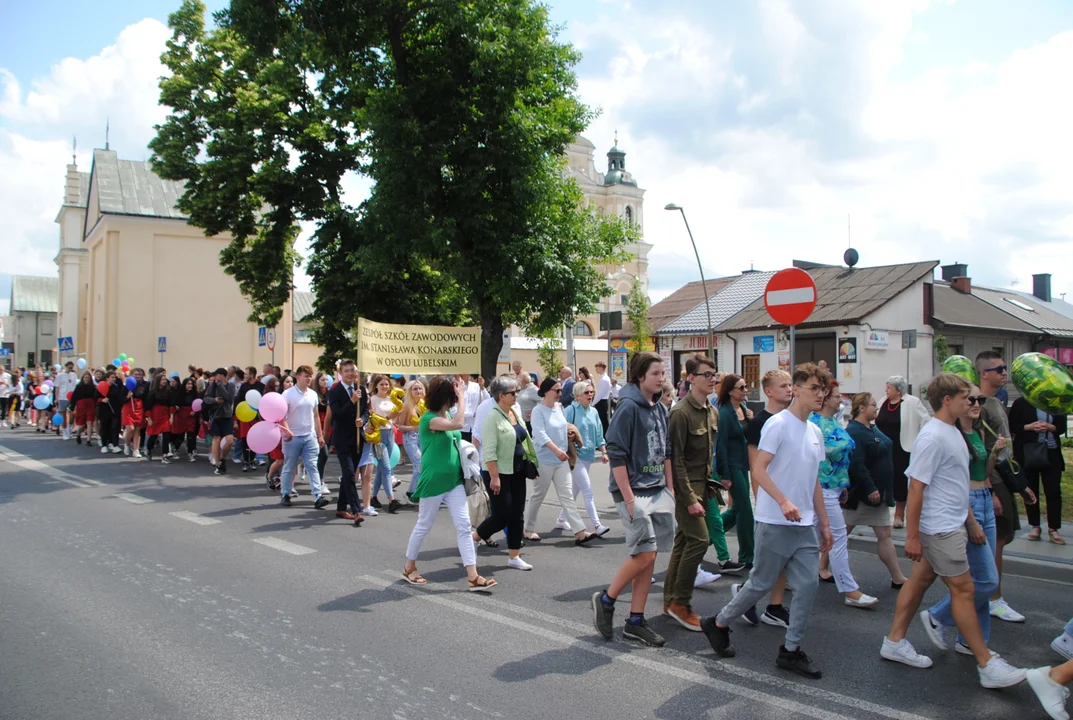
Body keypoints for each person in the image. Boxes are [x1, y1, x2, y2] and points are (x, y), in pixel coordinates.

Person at [878, 373, 1026, 689]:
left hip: (952, 523)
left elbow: (956, 484)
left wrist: (970, 521)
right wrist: (914, 536)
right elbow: (916, 487)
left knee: (918, 582)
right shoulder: (932, 437)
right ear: (947, 400)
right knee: (965, 590)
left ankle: (894, 641)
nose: (973, 402)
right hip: (940, 528)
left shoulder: (951, 432)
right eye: (967, 398)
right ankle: (987, 664)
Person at [701, 363, 834, 680]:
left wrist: (824, 523)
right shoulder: (778, 425)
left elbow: (813, 481)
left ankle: (790, 650)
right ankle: (718, 622)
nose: (820, 394)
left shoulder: (814, 431)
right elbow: (758, 469)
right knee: (760, 583)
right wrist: (783, 500)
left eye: (823, 390)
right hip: (775, 521)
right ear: (798, 389)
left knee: (808, 585)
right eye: (814, 388)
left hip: (804, 526)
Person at [592, 352, 673, 647]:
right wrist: (628, 499)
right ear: (640, 376)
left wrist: (671, 489)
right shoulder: (628, 407)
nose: (661, 378)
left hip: (657, 489)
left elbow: (667, 452)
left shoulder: (660, 407)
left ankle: (636, 621)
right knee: (645, 554)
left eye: (662, 373)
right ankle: (607, 598)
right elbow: (616, 454)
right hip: (634, 491)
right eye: (655, 374)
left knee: (650, 557)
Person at [924, 383, 1003, 656]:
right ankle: (939, 615)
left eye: (980, 399)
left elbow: (983, 470)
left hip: (983, 498)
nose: (976, 403)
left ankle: (971, 640)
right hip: (966, 506)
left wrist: (994, 454)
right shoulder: (952, 433)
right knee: (986, 582)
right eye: (971, 398)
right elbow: (947, 482)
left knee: (982, 576)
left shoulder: (977, 431)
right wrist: (970, 520)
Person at [403, 375, 497, 592]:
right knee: (424, 525)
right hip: (433, 480)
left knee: (464, 526)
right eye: (452, 397)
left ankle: (473, 576)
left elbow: (458, 426)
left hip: (453, 480)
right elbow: (459, 424)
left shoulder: (445, 414)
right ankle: (409, 566)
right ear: (443, 397)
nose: (455, 400)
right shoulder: (428, 420)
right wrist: (463, 396)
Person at [975, 350, 1036, 623]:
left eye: (1004, 368)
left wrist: (1021, 486)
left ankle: (987, 594)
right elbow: (978, 449)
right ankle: (993, 599)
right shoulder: (979, 404)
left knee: (1006, 536)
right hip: (993, 479)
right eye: (998, 369)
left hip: (1005, 476)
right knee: (998, 540)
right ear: (983, 373)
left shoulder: (997, 401)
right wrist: (988, 489)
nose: (1004, 372)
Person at [663, 353, 719, 633]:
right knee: (699, 540)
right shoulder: (681, 412)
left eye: (714, 374)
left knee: (683, 542)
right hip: (687, 491)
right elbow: (676, 460)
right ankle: (681, 603)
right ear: (691, 378)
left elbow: (708, 457)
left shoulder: (711, 410)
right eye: (707, 375)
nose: (712, 379)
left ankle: (670, 600)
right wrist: (688, 498)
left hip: (703, 487)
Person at [810, 380, 878, 608]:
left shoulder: (833, 421)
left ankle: (758, 585)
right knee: (837, 539)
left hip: (834, 488)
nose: (841, 400)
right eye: (837, 396)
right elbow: (817, 462)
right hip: (821, 489)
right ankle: (849, 589)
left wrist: (844, 485)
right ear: (825, 397)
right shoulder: (814, 423)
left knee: (802, 541)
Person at [741, 369, 794, 628]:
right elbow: (755, 466)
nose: (789, 389)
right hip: (769, 500)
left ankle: (774, 607)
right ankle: (744, 595)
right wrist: (760, 500)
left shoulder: (793, 419)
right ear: (769, 391)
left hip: (789, 498)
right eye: (783, 385)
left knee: (781, 556)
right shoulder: (759, 422)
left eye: (791, 384)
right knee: (767, 560)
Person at [844, 392, 907, 588]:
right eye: (873, 405)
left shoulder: (871, 427)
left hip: (877, 494)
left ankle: (897, 577)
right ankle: (821, 567)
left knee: (884, 533)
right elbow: (858, 463)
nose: (876, 408)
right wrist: (870, 487)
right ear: (861, 408)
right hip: (863, 495)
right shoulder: (855, 431)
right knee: (841, 533)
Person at [525, 377, 598, 545]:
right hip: (544, 459)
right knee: (538, 496)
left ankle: (580, 532)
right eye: (556, 391)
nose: (560, 394)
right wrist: (556, 450)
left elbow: (564, 426)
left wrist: (571, 435)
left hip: (561, 460)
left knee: (567, 496)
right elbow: (540, 434)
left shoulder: (559, 407)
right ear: (545, 392)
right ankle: (528, 529)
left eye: (560, 391)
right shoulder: (538, 411)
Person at [474, 374, 535, 570]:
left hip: (517, 471)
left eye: (517, 391)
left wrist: (532, 462)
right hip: (498, 473)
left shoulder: (514, 412)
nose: (517, 395)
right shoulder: (492, 417)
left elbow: (523, 439)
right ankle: (473, 538)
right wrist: (494, 477)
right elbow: (489, 451)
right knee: (502, 516)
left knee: (517, 514)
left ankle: (514, 556)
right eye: (513, 392)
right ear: (501, 395)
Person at [875, 375, 930, 528]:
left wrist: (920, 441)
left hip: (902, 448)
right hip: (883, 448)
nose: (886, 390)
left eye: (889, 387)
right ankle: (881, 513)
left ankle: (899, 515)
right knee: (883, 478)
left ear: (899, 390)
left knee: (900, 480)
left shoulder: (912, 402)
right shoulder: (882, 401)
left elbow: (925, 421)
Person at [1010, 393, 1064, 544]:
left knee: (1053, 491)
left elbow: (1062, 427)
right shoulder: (1021, 403)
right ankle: (1035, 526)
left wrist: (1050, 427)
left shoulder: (1054, 402)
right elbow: (1013, 426)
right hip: (1028, 453)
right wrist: (1030, 427)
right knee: (1031, 490)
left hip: (1051, 452)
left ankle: (1054, 528)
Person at [559, 380, 610, 536]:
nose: (590, 395)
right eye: (586, 393)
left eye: (591, 392)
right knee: (587, 490)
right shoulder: (570, 410)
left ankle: (561, 518)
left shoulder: (593, 411)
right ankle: (597, 525)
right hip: (575, 456)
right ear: (577, 396)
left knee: (575, 489)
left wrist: (603, 451)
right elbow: (562, 431)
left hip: (589, 455)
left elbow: (599, 434)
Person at [278, 365, 330, 509]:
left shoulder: (313, 394)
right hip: (293, 437)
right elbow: (281, 416)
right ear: (298, 377)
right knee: (289, 465)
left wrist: (320, 435)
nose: (309, 379)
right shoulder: (287, 394)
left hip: (309, 436)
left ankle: (317, 496)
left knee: (312, 466)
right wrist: (287, 431)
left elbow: (316, 416)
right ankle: (285, 493)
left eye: (310, 376)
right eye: (306, 376)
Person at [717, 374, 754, 569]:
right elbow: (721, 444)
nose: (746, 390)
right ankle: (748, 556)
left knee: (738, 508)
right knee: (746, 510)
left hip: (743, 464)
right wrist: (725, 475)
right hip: (732, 466)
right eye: (742, 387)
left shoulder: (743, 409)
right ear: (731, 391)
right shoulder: (724, 413)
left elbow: (748, 436)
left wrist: (751, 420)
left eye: (746, 386)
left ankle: (705, 537)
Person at [326, 359, 365, 524]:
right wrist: (352, 402)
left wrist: (362, 419)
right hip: (342, 439)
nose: (350, 373)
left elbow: (366, 412)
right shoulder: (334, 392)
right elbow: (337, 415)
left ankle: (341, 508)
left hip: (357, 438)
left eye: (352, 370)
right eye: (347, 371)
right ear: (340, 374)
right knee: (349, 474)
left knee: (349, 476)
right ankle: (356, 510)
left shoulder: (361, 389)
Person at [367, 374, 401, 513]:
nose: (384, 387)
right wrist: (388, 417)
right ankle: (391, 499)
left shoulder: (391, 399)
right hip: (378, 435)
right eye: (381, 384)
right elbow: (373, 418)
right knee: (386, 468)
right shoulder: (373, 400)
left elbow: (395, 415)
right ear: (376, 386)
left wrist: (396, 415)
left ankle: (373, 497)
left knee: (382, 469)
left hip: (390, 433)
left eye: (386, 384)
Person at [398, 379, 427, 503]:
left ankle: (420, 491)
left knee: (424, 465)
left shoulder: (424, 405)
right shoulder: (406, 406)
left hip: (424, 438)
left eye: (420, 388)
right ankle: (411, 492)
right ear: (410, 391)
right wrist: (414, 428)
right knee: (419, 464)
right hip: (411, 439)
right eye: (415, 389)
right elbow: (399, 426)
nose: (418, 391)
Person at [203, 368, 236, 475]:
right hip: (216, 416)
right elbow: (206, 398)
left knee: (230, 440)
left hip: (227, 416)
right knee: (216, 439)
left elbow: (229, 398)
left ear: (222, 376)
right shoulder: (213, 385)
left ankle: (222, 458)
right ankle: (218, 464)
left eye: (216, 375)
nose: (215, 378)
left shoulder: (230, 385)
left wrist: (221, 385)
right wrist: (215, 400)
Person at [144, 371, 174, 464]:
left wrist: (171, 416)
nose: (164, 381)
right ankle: (148, 449)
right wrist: (149, 418)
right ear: (158, 381)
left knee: (166, 435)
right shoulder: (152, 392)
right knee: (154, 435)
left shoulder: (168, 391)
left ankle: (165, 455)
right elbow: (148, 406)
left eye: (165, 379)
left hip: (165, 415)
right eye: (162, 379)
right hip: (155, 414)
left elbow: (171, 405)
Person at [121, 368, 150, 458]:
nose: (138, 376)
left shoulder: (145, 385)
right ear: (131, 375)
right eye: (136, 374)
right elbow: (120, 399)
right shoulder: (126, 386)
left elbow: (146, 398)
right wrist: (127, 396)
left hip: (139, 407)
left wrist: (146, 413)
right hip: (129, 407)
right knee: (130, 428)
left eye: (140, 374)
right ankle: (127, 444)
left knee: (138, 428)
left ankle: (136, 449)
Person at [172, 376, 200, 462]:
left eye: (191, 384)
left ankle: (190, 453)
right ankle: (175, 449)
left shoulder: (195, 394)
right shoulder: (179, 394)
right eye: (188, 384)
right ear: (184, 385)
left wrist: (195, 412)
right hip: (181, 416)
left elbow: (198, 405)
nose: (190, 385)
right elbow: (175, 404)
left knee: (191, 435)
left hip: (191, 416)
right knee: (180, 436)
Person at [96, 372, 124, 453]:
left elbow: (119, 398)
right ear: (107, 378)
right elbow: (96, 398)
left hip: (115, 410)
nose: (114, 379)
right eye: (112, 377)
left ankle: (115, 444)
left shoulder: (116, 387)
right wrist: (102, 400)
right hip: (104, 410)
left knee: (115, 428)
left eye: (114, 377)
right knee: (104, 427)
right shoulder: (101, 386)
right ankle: (104, 445)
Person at [54, 361, 77, 439]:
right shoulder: (60, 375)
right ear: (66, 367)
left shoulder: (73, 375)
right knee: (63, 415)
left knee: (72, 414)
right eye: (69, 367)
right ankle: (64, 432)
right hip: (62, 397)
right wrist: (56, 398)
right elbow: (57, 387)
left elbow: (74, 386)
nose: (70, 369)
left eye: (71, 368)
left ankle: (69, 428)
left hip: (71, 397)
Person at [593, 360, 612, 433]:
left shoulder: (604, 379)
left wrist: (593, 403)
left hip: (601, 402)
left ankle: (605, 435)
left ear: (601, 368)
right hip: (602, 401)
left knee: (602, 420)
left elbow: (599, 394)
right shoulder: (604, 378)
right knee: (602, 420)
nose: (596, 369)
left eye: (597, 368)